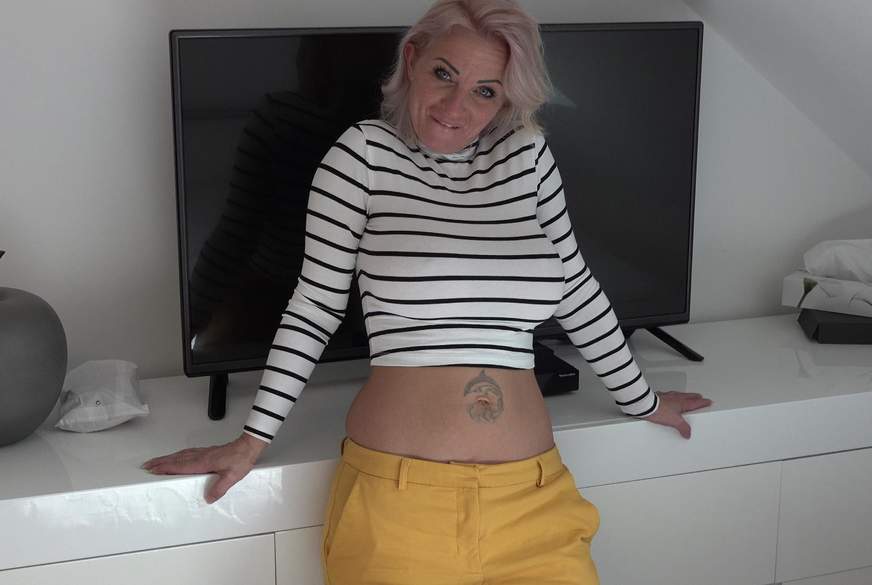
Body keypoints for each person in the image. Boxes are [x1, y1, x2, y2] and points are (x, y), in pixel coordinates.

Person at [143, 1, 712, 583]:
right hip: (399, 506)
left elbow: (578, 290)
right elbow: (314, 308)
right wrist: (252, 439)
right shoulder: (363, 154)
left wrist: (642, 400)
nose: (455, 106)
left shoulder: (527, 155)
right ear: (413, 60)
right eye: (445, 74)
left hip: (534, 499)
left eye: (486, 91)